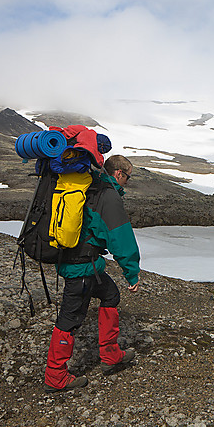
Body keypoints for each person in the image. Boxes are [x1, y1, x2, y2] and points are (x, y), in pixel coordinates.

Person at [44, 155, 141, 393]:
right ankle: (55, 377)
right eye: (128, 177)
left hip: (86, 264)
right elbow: (121, 238)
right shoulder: (108, 195)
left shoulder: (89, 185)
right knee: (69, 320)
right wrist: (132, 273)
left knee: (110, 295)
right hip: (82, 267)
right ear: (118, 174)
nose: (127, 182)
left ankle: (110, 355)